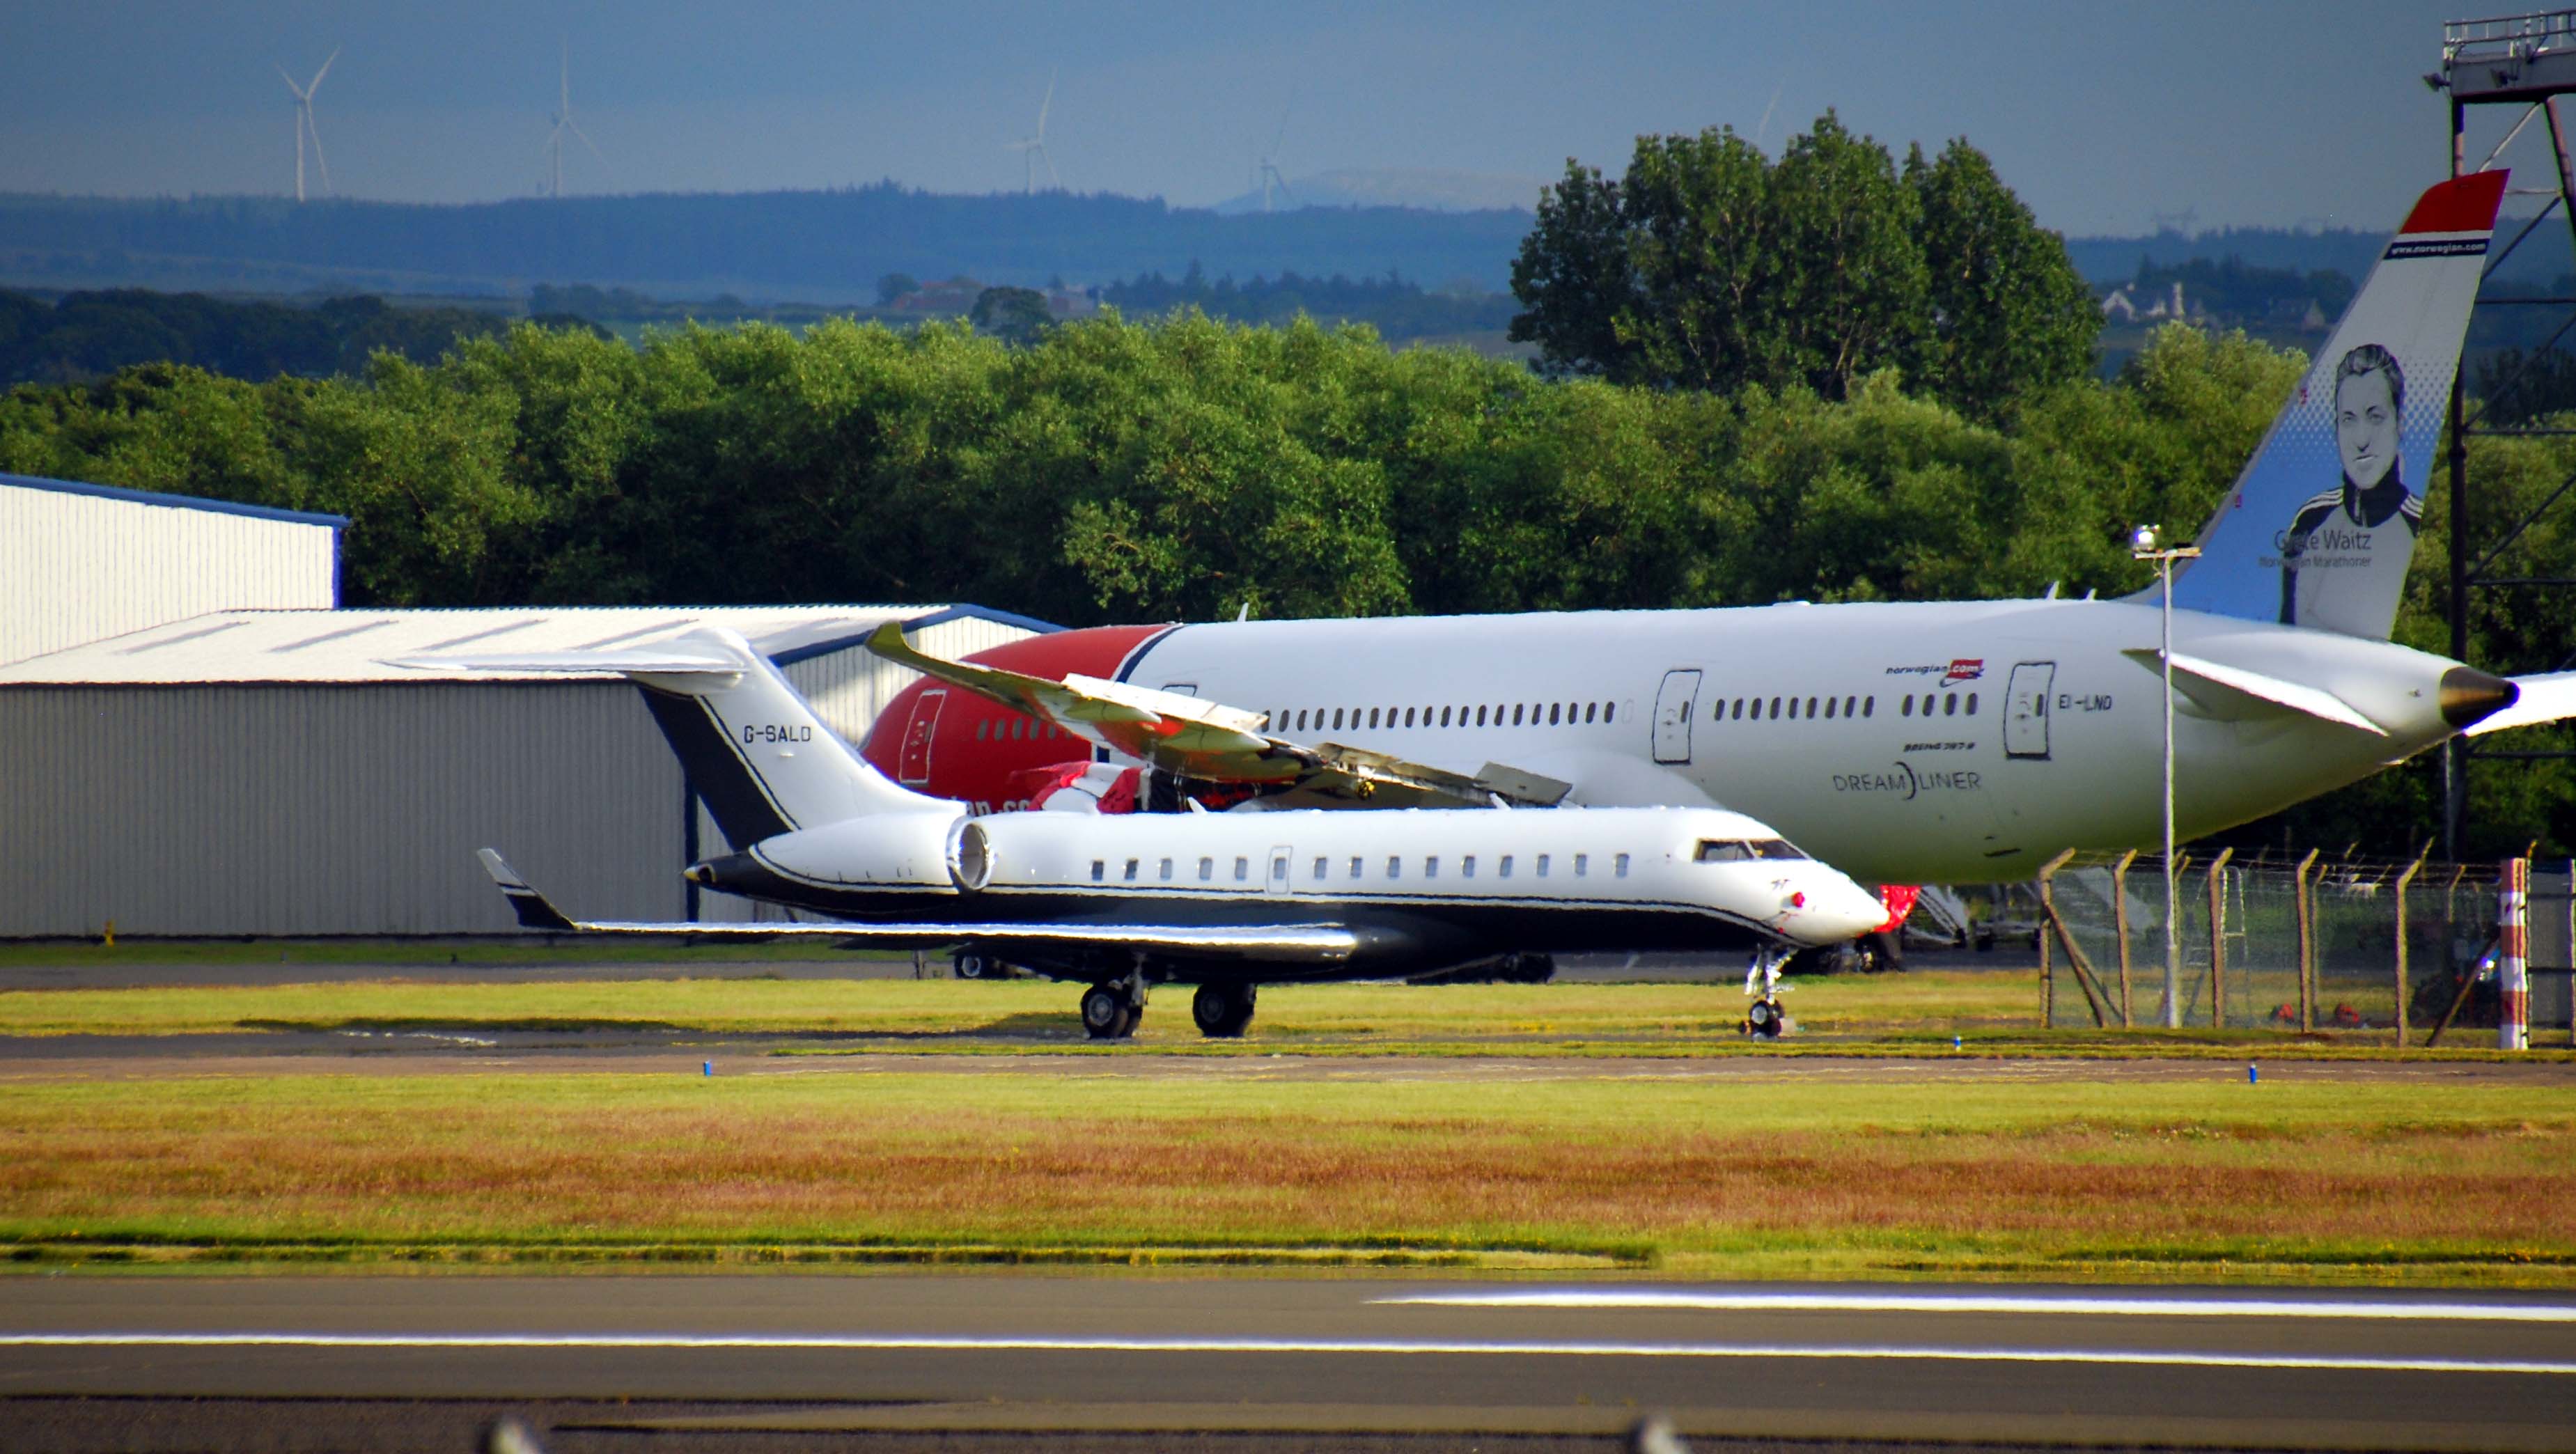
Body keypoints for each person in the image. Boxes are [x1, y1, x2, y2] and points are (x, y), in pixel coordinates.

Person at [2277, 343, 2421, 633]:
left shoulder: (2414, 521)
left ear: (2400, 424)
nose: (2361, 439)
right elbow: (2286, 630)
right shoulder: (2310, 520)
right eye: (2349, 420)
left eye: (2375, 417)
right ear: (2336, 429)